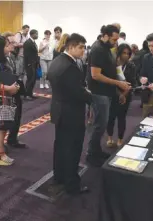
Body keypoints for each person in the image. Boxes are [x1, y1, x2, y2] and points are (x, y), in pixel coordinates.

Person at [48, 33, 92, 195]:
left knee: (60, 145)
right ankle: (72, 184)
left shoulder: (57, 61)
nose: (83, 51)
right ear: (71, 47)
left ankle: (59, 176)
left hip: (59, 109)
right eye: (81, 47)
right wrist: (90, 97)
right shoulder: (70, 66)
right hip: (71, 112)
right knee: (72, 148)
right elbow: (78, 92)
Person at [86, 25, 131, 167]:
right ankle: (91, 153)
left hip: (106, 92)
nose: (115, 42)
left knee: (102, 123)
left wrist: (120, 81)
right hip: (99, 93)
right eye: (113, 39)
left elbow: (112, 67)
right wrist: (118, 82)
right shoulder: (98, 49)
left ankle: (96, 150)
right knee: (100, 125)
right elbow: (96, 75)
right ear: (105, 35)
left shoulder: (106, 48)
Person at [0, 36, 20, 166]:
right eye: (7, 45)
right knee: (1, 127)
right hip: (0, 99)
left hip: (7, 97)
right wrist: (9, 88)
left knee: (4, 126)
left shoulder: (5, 60)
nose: (10, 47)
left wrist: (15, 87)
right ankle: (0, 155)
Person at [106, 44, 137, 147]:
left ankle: (120, 139)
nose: (126, 55)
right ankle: (109, 138)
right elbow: (109, 81)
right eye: (124, 53)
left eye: (128, 53)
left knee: (122, 117)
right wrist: (119, 94)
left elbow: (132, 82)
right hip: (112, 94)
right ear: (119, 53)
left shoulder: (131, 65)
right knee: (110, 117)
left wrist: (124, 94)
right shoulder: (112, 64)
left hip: (126, 95)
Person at [2, 32, 27, 149]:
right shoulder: (0, 59)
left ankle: (12, 139)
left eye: (14, 42)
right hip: (6, 92)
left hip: (15, 89)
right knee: (5, 119)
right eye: (11, 42)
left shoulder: (11, 56)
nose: (14, 44)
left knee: (17, 116)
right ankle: (0, 145)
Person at [23, 29, 39, 100]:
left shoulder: (33, 42)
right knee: (30, 80)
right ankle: (26, 95)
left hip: (34, 64)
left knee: (33, 79)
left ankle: (30, 93)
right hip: (29, 64)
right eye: (36, 34)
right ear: (32, 34)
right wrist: (29, 64)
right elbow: (26, 55)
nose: (37, 35)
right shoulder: (27, 43)